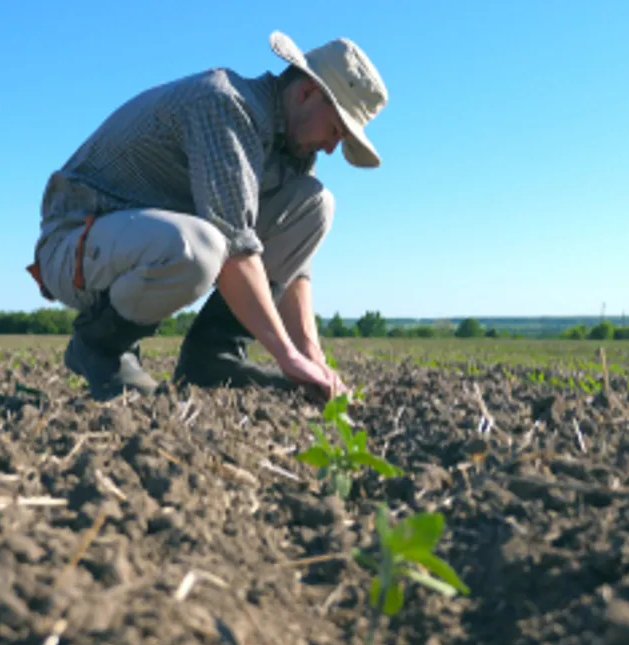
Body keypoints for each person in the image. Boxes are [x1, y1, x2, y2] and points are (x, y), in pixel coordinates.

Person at [25, 31, 388, 402]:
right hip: (75, 242)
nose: (331, 148)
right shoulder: (225, 105)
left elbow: (295, 268)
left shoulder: (291, 145)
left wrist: (312, 356)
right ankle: (102, 345)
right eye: (335, 130)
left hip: (144, 242)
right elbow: (234, 245)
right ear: (307, 92)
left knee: (315, 203)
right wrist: (287, 355)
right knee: (200, 247)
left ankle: (214, 356)